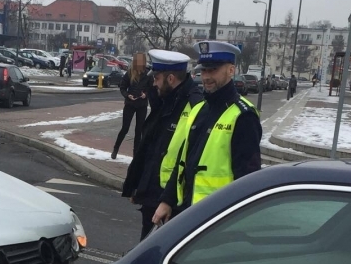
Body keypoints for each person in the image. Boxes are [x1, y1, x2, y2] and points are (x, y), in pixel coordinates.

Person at [152, 41, 261, 227]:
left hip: (219, 220)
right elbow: (182, 162)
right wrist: (167, 200)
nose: (206, 77)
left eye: (213, 70)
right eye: (204, 71)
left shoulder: (243, 116)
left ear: (231, 70)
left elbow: (247, 179)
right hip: (188, 211)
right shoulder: (200, 109)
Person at [122, 50, 202, 240]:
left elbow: (187, 157)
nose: (154, 83)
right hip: (153, 196)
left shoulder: (193, 106)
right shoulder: (166, 100)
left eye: (156, 78)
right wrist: (138, 187)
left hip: (171, 202)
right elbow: (150, 149)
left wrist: (168, 200)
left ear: (171, 78)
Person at [111, 52, 154, 160]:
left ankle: (136, 155)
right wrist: (127, 95)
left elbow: (151, 89)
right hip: (130, 104)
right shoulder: (130, 73)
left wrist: (146, 94)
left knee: (138, 130)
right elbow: (122, 87)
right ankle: (116, 148)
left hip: (142, 105)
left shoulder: (148, 74)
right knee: (125, 128)